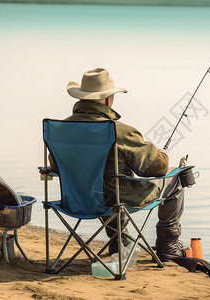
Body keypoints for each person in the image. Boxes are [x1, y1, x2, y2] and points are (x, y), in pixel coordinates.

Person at [52, 67, 191, 262]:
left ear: (81, 99)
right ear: (108, 100)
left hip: (77, 199)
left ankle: (120, 241)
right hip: (112, 199)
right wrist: (160, 154)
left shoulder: (61, 131)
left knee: (102, 184)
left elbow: (57, 167)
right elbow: (156, 169)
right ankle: (168, 245)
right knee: (176, 177)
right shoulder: (119, 131)